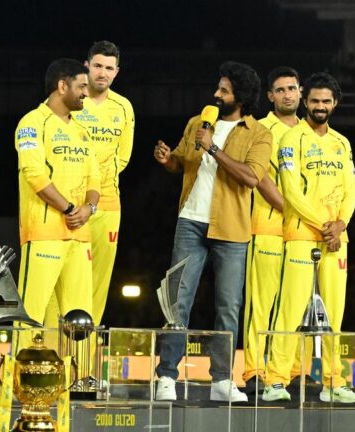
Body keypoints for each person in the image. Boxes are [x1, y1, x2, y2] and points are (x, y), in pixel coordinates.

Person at [153, 61, 272, 402]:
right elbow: (182, 161)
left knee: (228, 306)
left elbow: (251, 177)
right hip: (190, 221)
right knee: (177, 301)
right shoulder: (198, 122)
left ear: (241, 97)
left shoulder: (259, 133)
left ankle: (221, 379)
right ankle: (166, 376)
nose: (216, 94)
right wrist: (168, 160)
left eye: (224, 90)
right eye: (218, 87)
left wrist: (213, 148)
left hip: (232, 228)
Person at [263, 72, 355, 403]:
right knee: (291, 310)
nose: (320, 106)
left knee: (333, 313)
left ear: (335, 103)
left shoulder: (342, 143)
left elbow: (351, 189)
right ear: (306, 102)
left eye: (326, 101)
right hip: (302, 235)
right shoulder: (291, 140)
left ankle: (334, 382)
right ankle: (275, 380)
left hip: (336, 239)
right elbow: (290, 191)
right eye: (315, 100)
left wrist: (341, 224)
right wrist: (324, 225)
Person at [43, 42, 134, 361]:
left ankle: (82, 360)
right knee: (58, 281)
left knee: (96, 285)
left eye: (109, 68)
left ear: (117, 72)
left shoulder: (123, 107)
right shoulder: (71, 101)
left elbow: (123, 157)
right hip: (66, 205)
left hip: (106, 205)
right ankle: (52, 356)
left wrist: (95, 186)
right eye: (97, 66)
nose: (102, 73)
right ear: (86, 66)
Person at [13, 58, 100, 351]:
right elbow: (34, 174)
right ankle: (23, 372)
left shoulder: (82, 131)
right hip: (44, 233)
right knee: (31, 313)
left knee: (80, 319)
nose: (86, 93)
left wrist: (89, 209)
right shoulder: (31, 123)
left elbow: (95, 179)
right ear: (62, 86)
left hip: (80, 235)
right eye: (81, 86)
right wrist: (69, 209)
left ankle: (74, 373)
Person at [242, 66, 300, 394]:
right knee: (261, 303)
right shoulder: (261, 128)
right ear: (270, 96)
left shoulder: (308, 131)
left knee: (293, 305)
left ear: (301, 92)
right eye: (280, 90)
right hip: (267, 225)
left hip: (301, 233)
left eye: (292, 88)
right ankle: (254, 370)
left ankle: (286, 372)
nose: (287, 94)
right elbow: (260, 177)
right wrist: (293, 210)